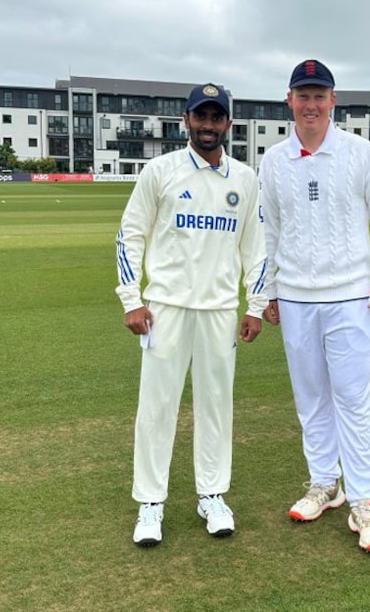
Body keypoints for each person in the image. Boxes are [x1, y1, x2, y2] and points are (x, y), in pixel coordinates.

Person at [258, 59, 370, 553]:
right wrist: (269, 292)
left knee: (353, 399)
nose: (312, 104)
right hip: (297, 297)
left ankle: (365, 501)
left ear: (333, 101)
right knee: (311, 398)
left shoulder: (360, 153)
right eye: (304, 95)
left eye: (320, 95)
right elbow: (269, 231)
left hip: (350, 297)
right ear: (290, 101)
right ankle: (326, 484)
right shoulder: (274, 160)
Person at [115, 82, 269, 548]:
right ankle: (150, 503)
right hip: (165, 309)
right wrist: (131, 298)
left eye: (216, 117)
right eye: (199, 117)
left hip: (220, 310)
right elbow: (129, 235)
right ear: (185, 121)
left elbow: (257, 249)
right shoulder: (160, 171)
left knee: (216, 407)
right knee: (157, 406)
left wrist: (256, 305)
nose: (207, 125)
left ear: (227, 123)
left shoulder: (244, 179)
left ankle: (212, 496)